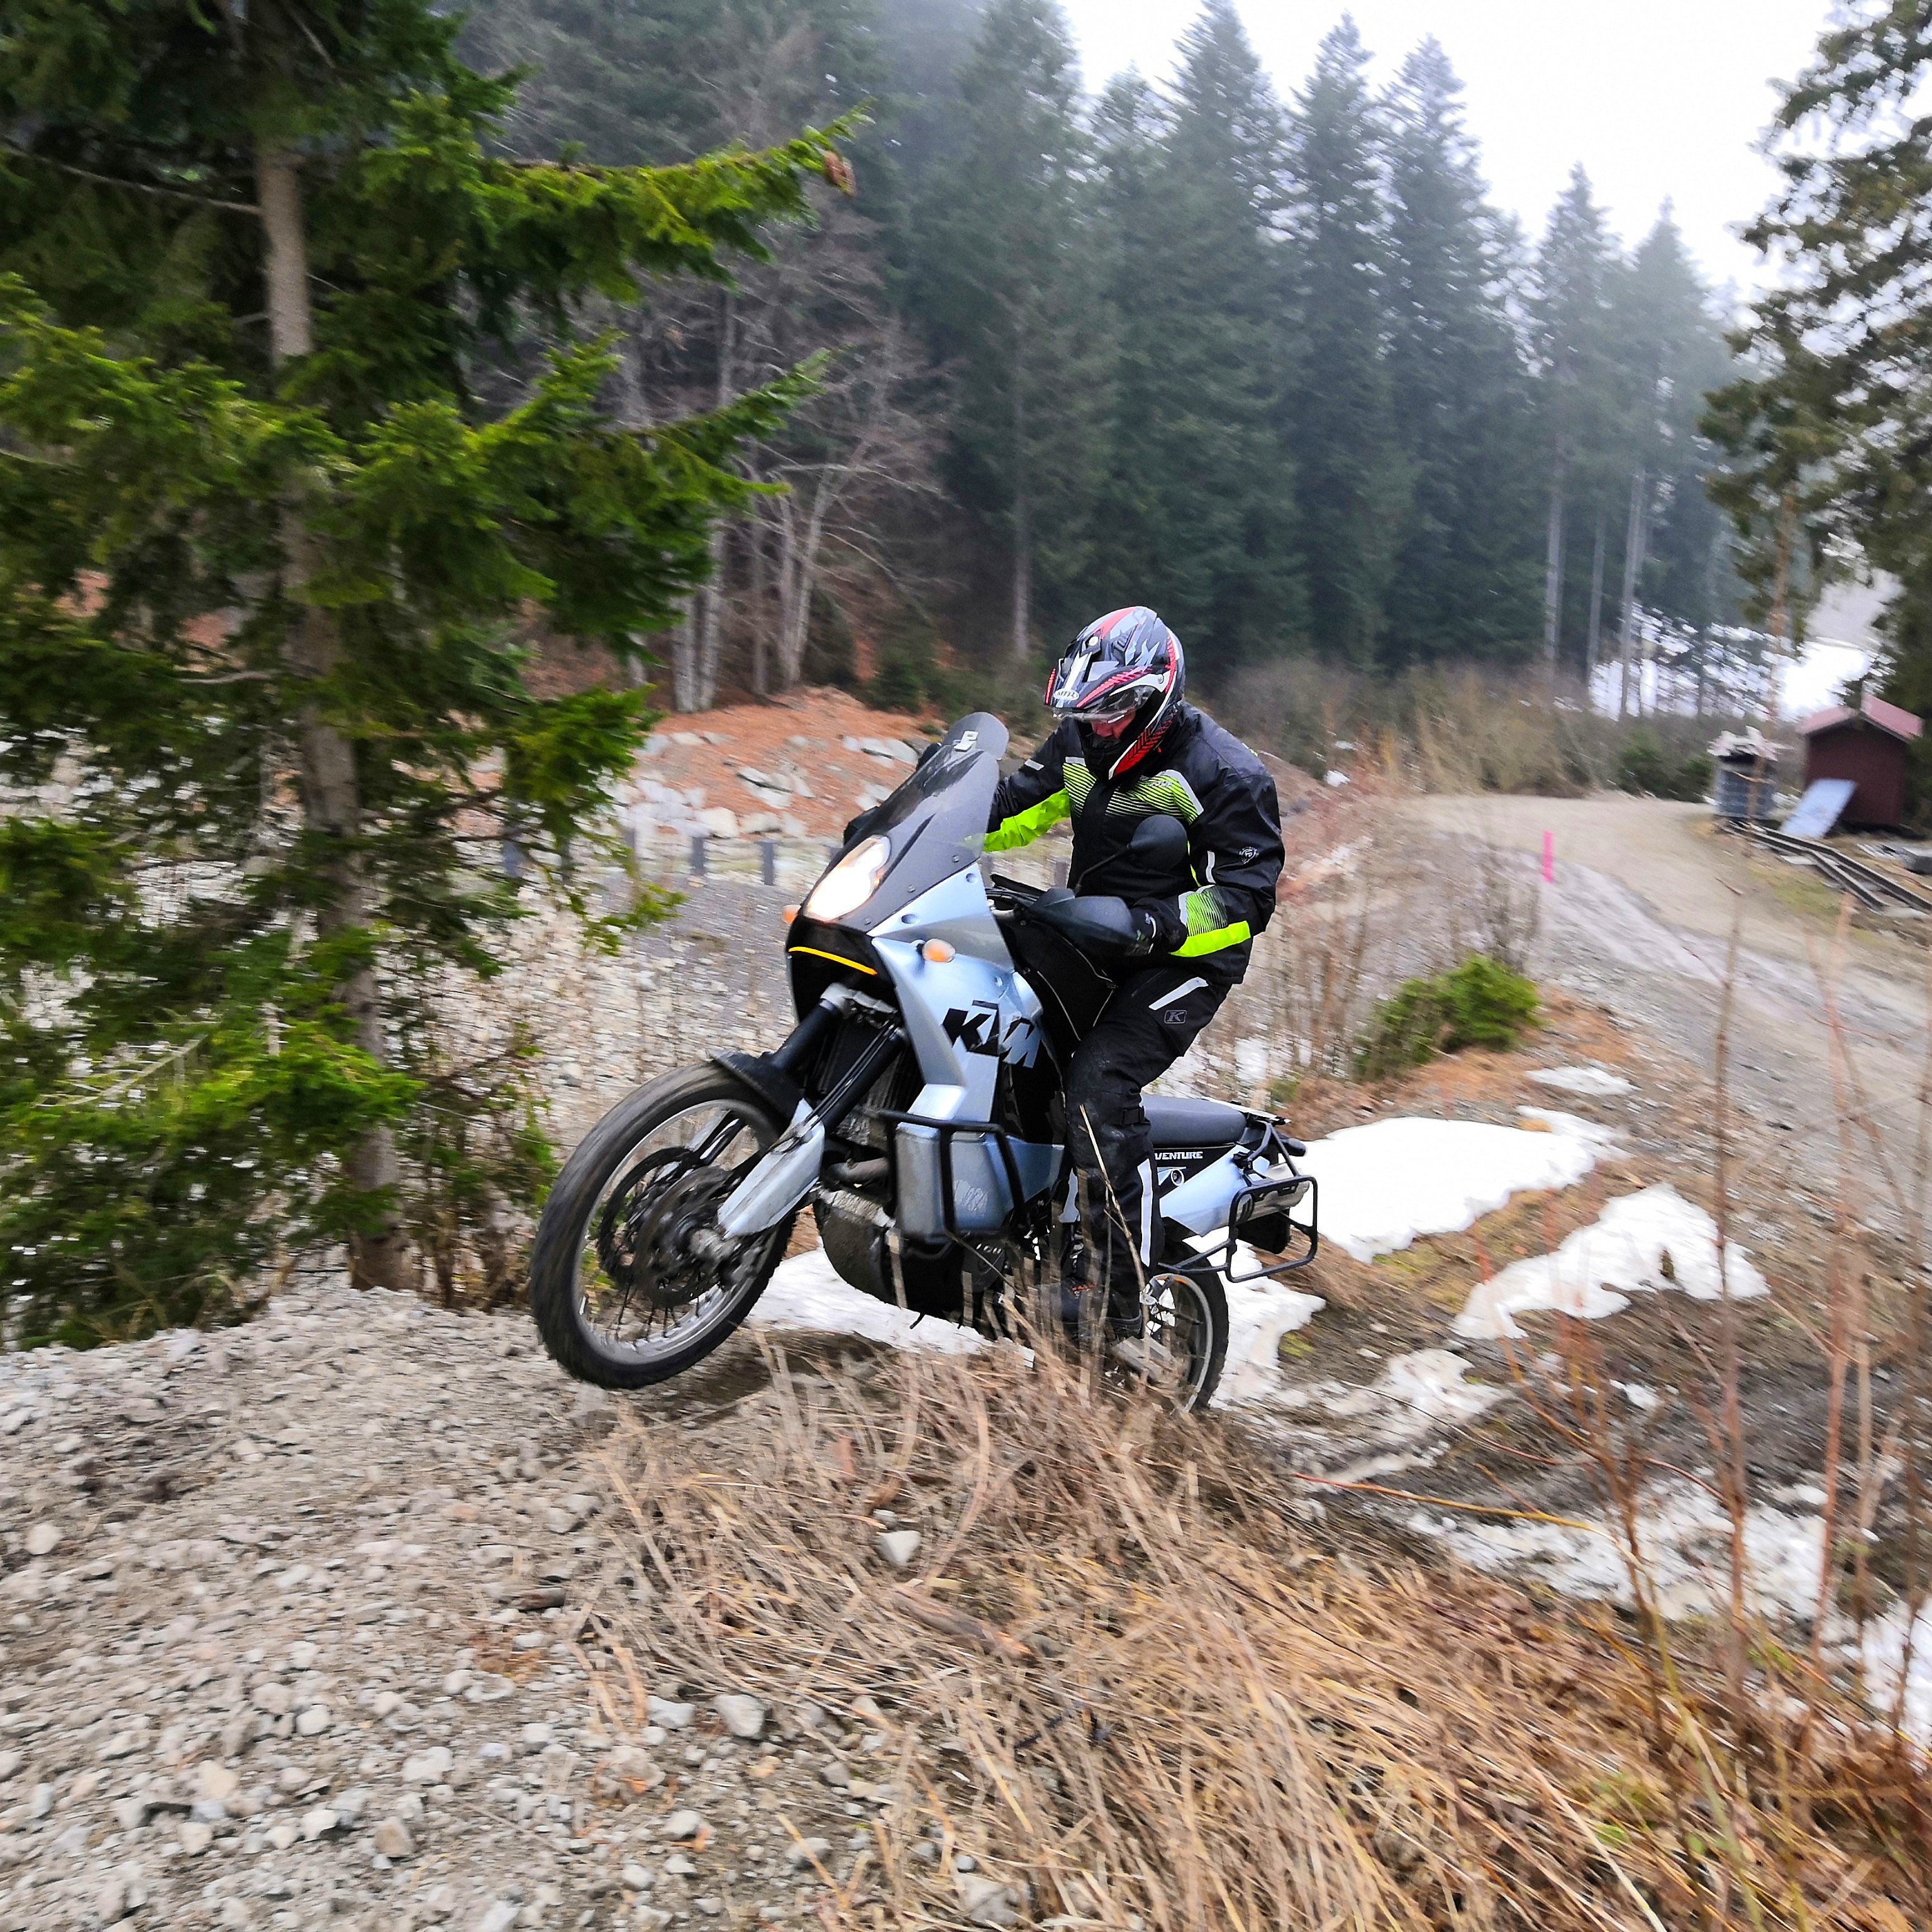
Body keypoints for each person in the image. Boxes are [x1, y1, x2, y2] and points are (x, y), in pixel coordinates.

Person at [985, 606, 1284, 1333]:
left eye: (1114, 708)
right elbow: (1010, 810)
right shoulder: (1082, 740)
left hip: (1184, 961)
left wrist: (1157, 924)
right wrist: (906, 820)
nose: (1101, 724)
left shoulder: (1224, 772)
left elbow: (1249, 897)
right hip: (1093, 932)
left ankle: (1120, 1301)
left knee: (1095, 1087)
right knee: (984, 1009)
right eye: (1087, 709)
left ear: (1158, 694)